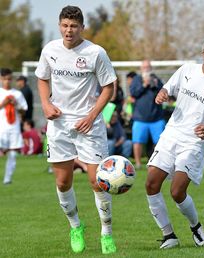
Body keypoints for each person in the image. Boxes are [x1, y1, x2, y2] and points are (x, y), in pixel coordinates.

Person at [35, 6, 117, 254]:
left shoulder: (95, 53)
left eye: (73, 26)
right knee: (62, 182)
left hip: (88, 125)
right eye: (65, 25)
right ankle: (75, 227)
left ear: (82, 27)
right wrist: (46, 104)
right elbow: (42, 77)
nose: (68, 31)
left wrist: (92, 116)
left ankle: (106, 234)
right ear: (60, 26)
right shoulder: (50, 49)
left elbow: (108, 87)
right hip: (58, 124)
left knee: (97, 181)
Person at [145, 35, 204, 249]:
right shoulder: (187, 70)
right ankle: (169, 235)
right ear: (203, 52)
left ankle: (195, 226)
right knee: (150, 185)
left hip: (193, 142)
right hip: (171, 135)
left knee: (177, 192)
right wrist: (162, 94)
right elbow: (167, 89)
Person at [130, 60, 165, 169]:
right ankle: (138, 163)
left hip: (156, 118)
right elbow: (133, 93)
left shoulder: (156, 79)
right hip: (140, 118)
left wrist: (154, 85)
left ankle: (157, 163)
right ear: (141, 68)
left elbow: (162, 93)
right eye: (144, 67)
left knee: (159, 142)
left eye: (148, 67)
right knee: (137, 141)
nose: (146, 69)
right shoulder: (136, 79)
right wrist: (144, 85)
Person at [0, 68, 28, 184]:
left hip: (13, 127)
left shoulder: (17, 94)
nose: (7, 81)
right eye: (5, 79)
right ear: (1, 79)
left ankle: (7, 179)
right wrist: (3, 104)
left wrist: (16, 105)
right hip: (1, 127)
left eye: (9, 79)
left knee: (12, 153)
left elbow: (24, 111)